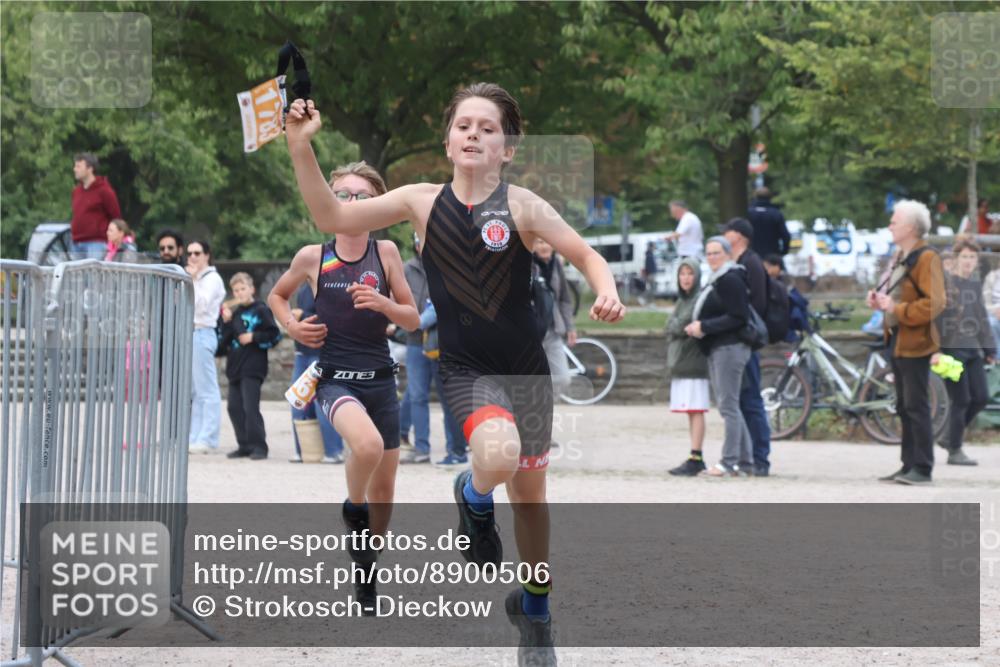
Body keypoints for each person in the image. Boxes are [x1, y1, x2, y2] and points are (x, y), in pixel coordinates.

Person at [285, 82, 624, 665]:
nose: (474, 134)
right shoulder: (419, 200)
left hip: (527, 371)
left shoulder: (524, 206)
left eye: (487, 128)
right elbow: (331, 212)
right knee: (496, 455)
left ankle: (536, 614)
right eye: (464, 125)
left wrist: (608, 289)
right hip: (468, 367)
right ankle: (470, 493)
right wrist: (299, 145)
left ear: (507, 148)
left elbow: (587, 255)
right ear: (448, 141)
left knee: (533, 503)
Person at [267, 160, 420, 612]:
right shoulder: (313, 256)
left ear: (378, 201)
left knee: (386, 496)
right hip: (333, 380)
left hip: (380, 380)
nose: (352, 202)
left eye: (361, 195)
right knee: (367, 448)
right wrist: (292, 326)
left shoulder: (387, 253)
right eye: (344, 194)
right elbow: (277, 296)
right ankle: (353, 507)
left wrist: (384, 303)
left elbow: (412, 318)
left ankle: (366, 569)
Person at [866, 200, 945, 486]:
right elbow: (895, 293)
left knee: (916, 405)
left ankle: (922, 468)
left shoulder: (927, 258)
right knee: (903, 405)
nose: (890, 225)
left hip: (916, 341)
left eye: (894, 221)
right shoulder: (902, 255)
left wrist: (896, 309)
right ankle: (908, 464)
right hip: (898, 339)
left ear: (911, 227)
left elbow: (936, 303)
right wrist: (880, 300)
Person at [398, 233, 469, 466]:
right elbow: (395, 296)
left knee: (449, 399)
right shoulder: (406, 268)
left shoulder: (449, 268)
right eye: (422, 243)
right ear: (416, 245)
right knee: (417, 395)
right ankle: (421, 449)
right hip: (415, 340)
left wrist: (419, 319)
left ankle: (455, 450)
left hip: (442, 342)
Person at [685, 237, 753, 477]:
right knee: (731, 406)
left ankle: (729, 461)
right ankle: (744, 462)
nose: (712, 257)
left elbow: (738, 316)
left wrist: (704, 326)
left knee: (728, 406)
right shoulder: (717, 279)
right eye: (709, 253)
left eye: (716, 253)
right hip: (719, 348)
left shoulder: (730, 279)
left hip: (729, 348)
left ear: (726, 254)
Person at [936, 239, 995, 466]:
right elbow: (936, 319)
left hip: (973, 350)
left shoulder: (974, 285)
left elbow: (981, 318)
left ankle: (950, 436)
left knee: (980, 397)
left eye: (972, 257)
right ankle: (955, 450)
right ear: (956, 259)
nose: (969, 261)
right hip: (951, 350)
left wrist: (990, 348)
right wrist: (937, 350)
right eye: (965, 257)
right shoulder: (946, 285)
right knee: (961, 400)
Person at [722, 218, 773, 476]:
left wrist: (745, 329)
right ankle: (749, 457)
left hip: (747, 340)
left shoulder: (750, 262)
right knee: (743, 400)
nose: (724, 235)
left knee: (751, 400)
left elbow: (758, 303)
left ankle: (760, 458)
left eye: (728, 231)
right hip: (739, 338)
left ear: (739, 236)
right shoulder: (737, 262)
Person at [219, 273, 281, 460]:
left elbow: (274, 335)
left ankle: (259, 446)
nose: (239, 293)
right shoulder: (235, 313)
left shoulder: (261, 310)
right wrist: (227, 322)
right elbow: (223, 343)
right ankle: (244, 445)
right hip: (235, 366)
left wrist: (253, 337)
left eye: (243, 289)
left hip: (253, 366)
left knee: (250, 406)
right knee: (234, 407)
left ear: (252, 289)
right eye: (236, 290)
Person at [285, 282, 345, 463]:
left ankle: (333, 451)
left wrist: (303, 315)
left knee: (323, 402)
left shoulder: (332, 286)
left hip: (323, 353)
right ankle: (304, 450)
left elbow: (336, 321)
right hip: (302, 352)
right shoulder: (303, 288)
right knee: (297, 401)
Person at [666, 258, 710, 476]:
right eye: (682, 274)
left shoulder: (697, 299)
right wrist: (676, 326)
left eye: (689, 273)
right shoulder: (682, 300)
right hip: (681, 362)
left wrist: (677, 326)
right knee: (690, 410)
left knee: (696, 409)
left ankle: (696, 455)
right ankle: (694, 453)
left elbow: (680, 324)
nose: (685, 278)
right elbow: (672, 325)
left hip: (694, 362)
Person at [186, 239, 226, 454]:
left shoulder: (212, 279)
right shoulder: (197, 278)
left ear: (207, 255)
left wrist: (191, 280)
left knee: (207, 390)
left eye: (197, 253)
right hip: (191, 333)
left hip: (203, 332)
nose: (192, 257)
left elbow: (201, 306)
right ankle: (195, 436)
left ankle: (208, 438)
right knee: (195, 391)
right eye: (190, 253)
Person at [532, 238, 577, 401]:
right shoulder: (528, 265)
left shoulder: (556, 265)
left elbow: (564, 298)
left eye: (546, 242)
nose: (544, 246)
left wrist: (570, 326)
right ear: (532, 246)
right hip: (532, 331)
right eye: (539, 242)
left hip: (553, 329)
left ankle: (542, 404)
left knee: (563, 378)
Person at [71, 152, 121, 258]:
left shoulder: (104, 191)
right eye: (75, 166)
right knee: (77, 275)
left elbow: (116, 218)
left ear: (90, 168)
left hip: (96, 243)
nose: (75, 169)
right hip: (76, 243)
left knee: (93, 274)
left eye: (78, 166)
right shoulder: (76, 192)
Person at [747, 187, 790, 258]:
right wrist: (783, 252)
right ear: (770, 197)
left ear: (755, 197)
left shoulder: (748, 213)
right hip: (772, 255)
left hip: (752, 255)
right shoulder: (776, 214)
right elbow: (786, 236)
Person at [984, 264, 1000, 352]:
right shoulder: (992, 276)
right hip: (994, 313)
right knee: (991, 323)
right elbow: (986, 301)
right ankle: (996, 356)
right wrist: (995, 310)